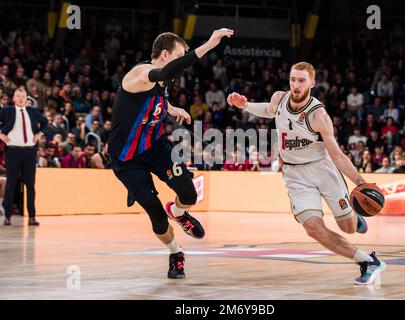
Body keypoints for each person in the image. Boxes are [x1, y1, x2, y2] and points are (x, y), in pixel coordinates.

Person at [227, 61, 385, 285]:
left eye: (301, 80)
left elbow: (338, 155)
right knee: (313, 228)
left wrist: (361, 183)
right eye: (293, 79)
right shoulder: (279, 98)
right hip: (294, 174)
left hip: (323, 169)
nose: (296, 85)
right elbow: (268, 110)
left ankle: (353, 216)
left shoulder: (318, 115)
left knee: (348, 228)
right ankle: (367, 261)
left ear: (312, 83)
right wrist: (246, 104)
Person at [108, 28, 234, 279]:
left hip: (155, 147)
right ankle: (176, 253)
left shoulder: (162, 80)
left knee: (188, 193)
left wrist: (171, 107)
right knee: (156, 216)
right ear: (165, 54)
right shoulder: (141, 73)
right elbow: (161, 74)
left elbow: (155, 94)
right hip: (126, 158)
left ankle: (177, 211)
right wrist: (209, 44)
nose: (183, 59)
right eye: (180, 55)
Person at [0, 88, 48, 226]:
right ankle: (8, 216)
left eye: (23, 96)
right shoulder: (7, 111)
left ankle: (32, 216)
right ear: (14, 99)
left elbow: (45, 123)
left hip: (29, 152)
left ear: (27, 99)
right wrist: (0, 134)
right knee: (11, 184)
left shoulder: (33, 112)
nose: (21, 98)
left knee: (30, 185)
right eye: (18, 96)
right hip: (13, 152)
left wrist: (40, 133)